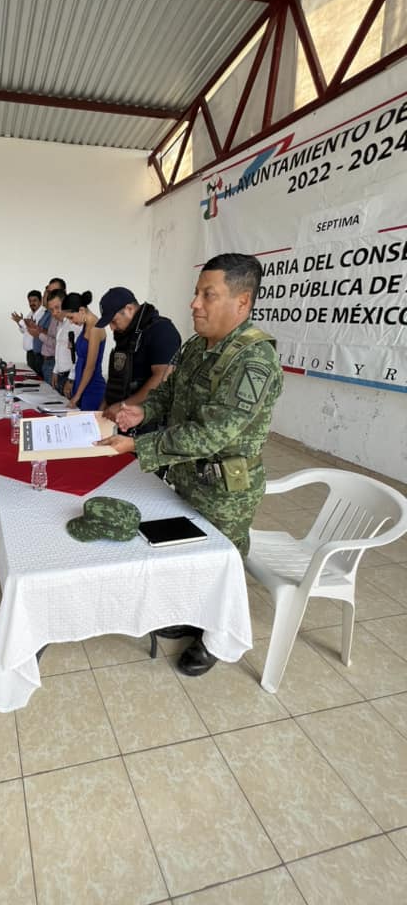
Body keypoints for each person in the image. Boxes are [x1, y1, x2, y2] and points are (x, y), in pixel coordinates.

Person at [98, 254, 283, 677]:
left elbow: (211, 434)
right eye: (196, 293)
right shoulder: (198, 345)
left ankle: (215, 638)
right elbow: (169, 395)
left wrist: (137, 447)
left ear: (243, 301)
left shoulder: (254, 361)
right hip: (185, 476)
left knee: (221, 562)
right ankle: (191, 613)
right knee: (187, 553)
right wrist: (140, 413)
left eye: (208, 295)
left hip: (224, 489)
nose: (194, 304)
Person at [97, 287, 181, 424]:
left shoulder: (161, 330)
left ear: (129, 309)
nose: (111, 328)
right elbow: (118, 374)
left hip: (146, 423)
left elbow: (162, 377)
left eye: (113, 321)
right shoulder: (126, 334)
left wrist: (124, 405)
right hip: (119, 418)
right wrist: (104, 406)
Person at [60, 291, 106, 410]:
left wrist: (77, 396)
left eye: (71, 317)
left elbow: (90, 367)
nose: (71, 321)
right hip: (81, 384)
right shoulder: (86, 325)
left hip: (91, 388)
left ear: (81, 310)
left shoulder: (95, 328)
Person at [24, 279, 65, 384]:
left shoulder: (63, 317)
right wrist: (37, 329)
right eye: (48, 292)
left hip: (53, 362)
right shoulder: (51, 313)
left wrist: (39, 333)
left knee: (54, 397)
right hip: (45, 360)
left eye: (53, 291)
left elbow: (58, 343)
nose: (49, 295)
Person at [11, 290, 45, 375]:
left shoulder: (43, 313)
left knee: (38, 379)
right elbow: (24, 331)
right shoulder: (30, 313)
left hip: (38, 354)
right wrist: (19, 323)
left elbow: (34, 330)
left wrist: (22, 322)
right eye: (30, 301)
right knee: (31, 378)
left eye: (34, 300)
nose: (32, 303)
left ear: (40, 301)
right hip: (30, 354)